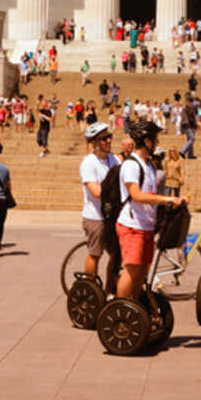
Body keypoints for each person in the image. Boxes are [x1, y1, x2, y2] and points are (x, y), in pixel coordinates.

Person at [115, 120, 185, 299]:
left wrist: (174, 201)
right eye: (155, 139)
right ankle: (120, 309)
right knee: (131, 270)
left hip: (146, 226)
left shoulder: (149, 165)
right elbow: (136, 195)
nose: (158, 143)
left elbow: (152, 194)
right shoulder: (131, 165)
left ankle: (134, 305)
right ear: (146, 141)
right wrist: (166, 198)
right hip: (132, 225)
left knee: (142, 271)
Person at [78, 122, 121, 291]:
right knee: (95, 254)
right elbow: (95, 191)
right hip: (95, 216)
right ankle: (90, 290)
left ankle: (110, 290)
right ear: (95, 142)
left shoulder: (114, 159)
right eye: (104, 139)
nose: (109, 141)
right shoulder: (89, 163)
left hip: (113, 216)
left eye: (109, 137)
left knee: (116, 256)